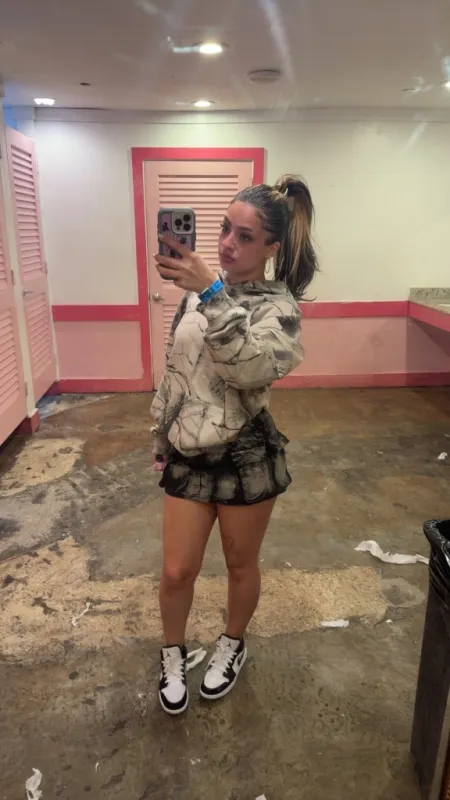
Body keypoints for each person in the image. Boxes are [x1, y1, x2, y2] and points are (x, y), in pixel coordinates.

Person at [151, 175, 318, 715]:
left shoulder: (280, 308)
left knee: (240, 564)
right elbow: (178, 369)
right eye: (225, 228)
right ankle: (172, 651)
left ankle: (232, 642)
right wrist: (161, 432)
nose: (226, 244)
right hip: (189, 452)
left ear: (271, 248)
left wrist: (212, 293)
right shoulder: (194, 294)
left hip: (245, 455)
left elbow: (248, 369)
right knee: (176, 570)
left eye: (244, 237)